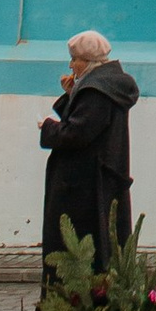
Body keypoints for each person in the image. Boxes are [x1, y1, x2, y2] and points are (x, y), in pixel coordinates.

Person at [39, 31, 138, 268]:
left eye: (75, 59)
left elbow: (76, 135)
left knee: (84, 250)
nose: (71, 65)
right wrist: (71, 95)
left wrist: (48, 126)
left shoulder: (96, 90)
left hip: (86, 187)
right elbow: (89, 125)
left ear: (89, 61)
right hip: (95, 180)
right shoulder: (107, 85)